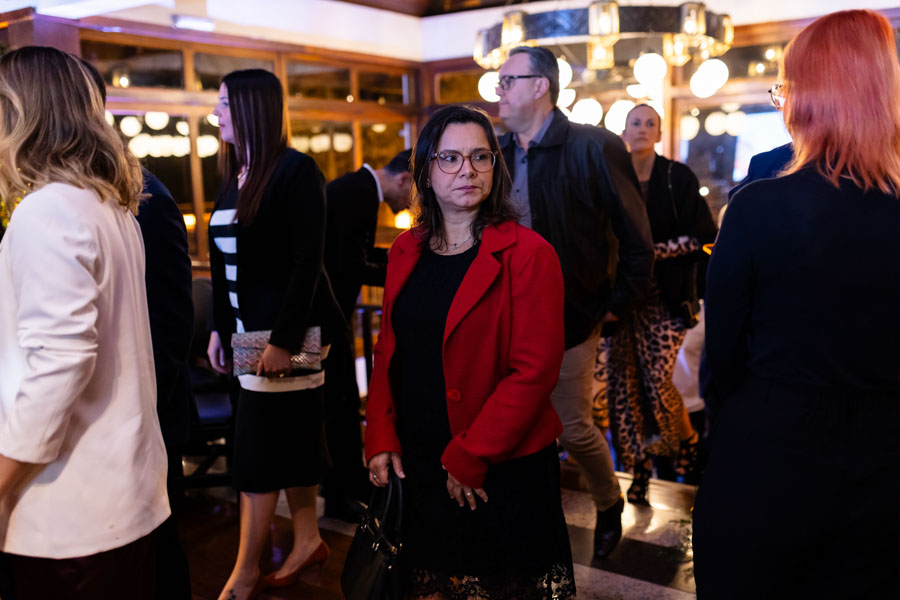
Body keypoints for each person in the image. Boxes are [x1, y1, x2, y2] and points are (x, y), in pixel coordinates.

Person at [694, 10, 900, 598]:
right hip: (884, 456)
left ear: (810, 97)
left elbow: (722, 353)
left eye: (786, 87)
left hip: (771, 447)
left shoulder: (759, 206)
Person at [365, 104, 575, 599]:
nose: (468, 170)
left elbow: (534, 372)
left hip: (498, 463)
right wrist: (380, 432)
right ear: (425, 170)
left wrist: (470, 455)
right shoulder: (405, 250)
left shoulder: (529, 254)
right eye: (451, 158)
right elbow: (388, 349)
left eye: (481, 157)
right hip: (419, 457)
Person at [0, 46, 169, 599]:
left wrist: (2, 478)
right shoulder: (108, 206)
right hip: (122, 489)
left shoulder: (46, 210)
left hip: (68, 503)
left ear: (21, 116)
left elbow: (62, 361)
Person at [496, 45, 654, 558]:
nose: (499, 91)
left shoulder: (594, 146)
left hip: (571, 315)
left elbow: (637, 239)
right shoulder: (493, 151)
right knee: (507, 420)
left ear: (540, 86)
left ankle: (608, 503)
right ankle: (521, 516)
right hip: (504, 316)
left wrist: (615, 304)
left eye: (508, 81)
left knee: (571, 426)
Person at [206, 69, 335, 600]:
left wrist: (283, 340)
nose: (216, 114)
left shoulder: (296, 171)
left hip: (289, 336)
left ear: (252, 108)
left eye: (224, 105)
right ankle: (307, 540)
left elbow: (307, 263)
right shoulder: (234, 173)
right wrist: (219, 329)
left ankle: (244, 575)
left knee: (257, 455)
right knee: (291, 438)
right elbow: (223, 266)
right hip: (244, 336)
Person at [82, 58, 195, 598]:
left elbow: (171, 318)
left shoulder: (142, 194)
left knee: (157, 557)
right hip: (112, 418)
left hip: (147, 409)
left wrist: (144, 405)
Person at [595, 104, 716, 503]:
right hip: (620, 299)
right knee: (623, 389)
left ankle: (688, 445)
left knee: (658, 383)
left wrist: (648, 253)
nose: (643, 129)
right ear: (624, 131)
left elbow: (702, 236)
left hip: (664, 299)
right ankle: (639, 471)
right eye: (636, 122)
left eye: (651, 123)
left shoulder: (675, 176)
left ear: (660, 134)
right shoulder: (610, 176)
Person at [322, 149, 412, 521]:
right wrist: (407, 272)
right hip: (326, 321)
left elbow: (354, 253)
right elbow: (351, 265)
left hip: (329, 318)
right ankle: (341, 493)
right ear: (404, 179)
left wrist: (402, 257)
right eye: (415, 193)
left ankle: (347, 486)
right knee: (339, 406)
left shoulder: (355, 187)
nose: (412, 203)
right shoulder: (359, 193)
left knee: (341, 402)